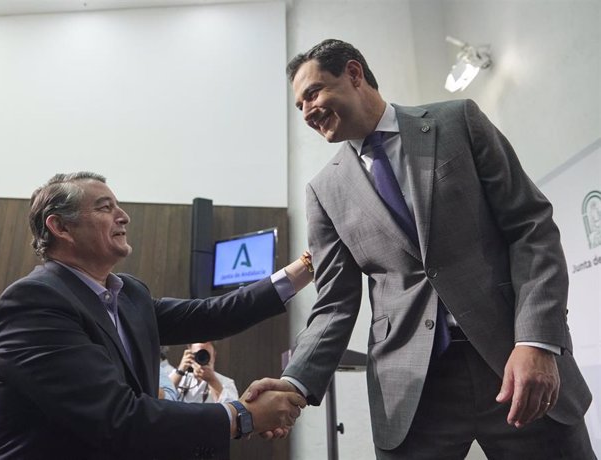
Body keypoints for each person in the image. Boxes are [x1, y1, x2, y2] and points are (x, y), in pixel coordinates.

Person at [247, 39, 594, 459]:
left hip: (514, 360)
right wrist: (296, 382)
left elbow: (531, 227)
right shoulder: (324, 191)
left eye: (313, 93)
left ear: (354, 74)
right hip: (412, 389)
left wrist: (537, 341)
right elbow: (335, 305)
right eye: (299, 105)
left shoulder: (458, 121)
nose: (306, 111)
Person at [0, 172, 312, 460]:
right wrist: (244, 415)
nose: (123, 216)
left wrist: (304, 270)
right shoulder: (33, 303)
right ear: (60, 226)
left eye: (118, 206)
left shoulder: (129, 294)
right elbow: (116, 416)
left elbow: (212, 315)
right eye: (104, 207)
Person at [171, 342, 238, 403]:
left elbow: (232, 410)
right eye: (197, 354)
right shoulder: (178, 375)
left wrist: (212, 381)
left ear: (214, 356)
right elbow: (163, 395)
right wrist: (180, 370)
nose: (201, 358)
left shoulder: (226, 383)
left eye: (206, 354)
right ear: (189, 353)